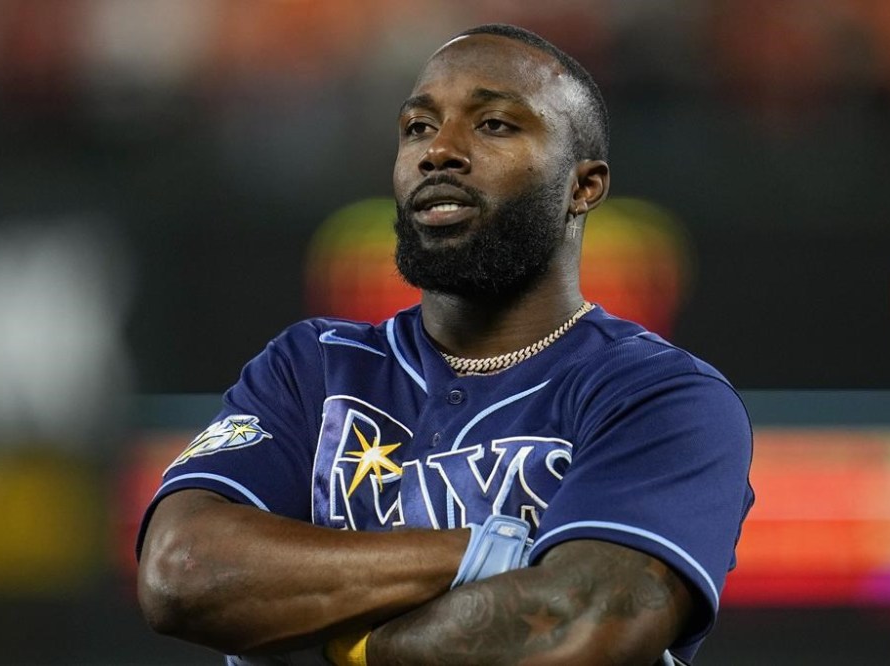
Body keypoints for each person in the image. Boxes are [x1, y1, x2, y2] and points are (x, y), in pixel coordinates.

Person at [136, 23, 754, 666]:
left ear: (583, 185)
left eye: (494, 125)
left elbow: (582, 626)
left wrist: (340, 644)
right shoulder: (313, 369)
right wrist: (490, 556)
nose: (440, 152)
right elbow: (180, 573)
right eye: (418, 128)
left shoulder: (662, 396)